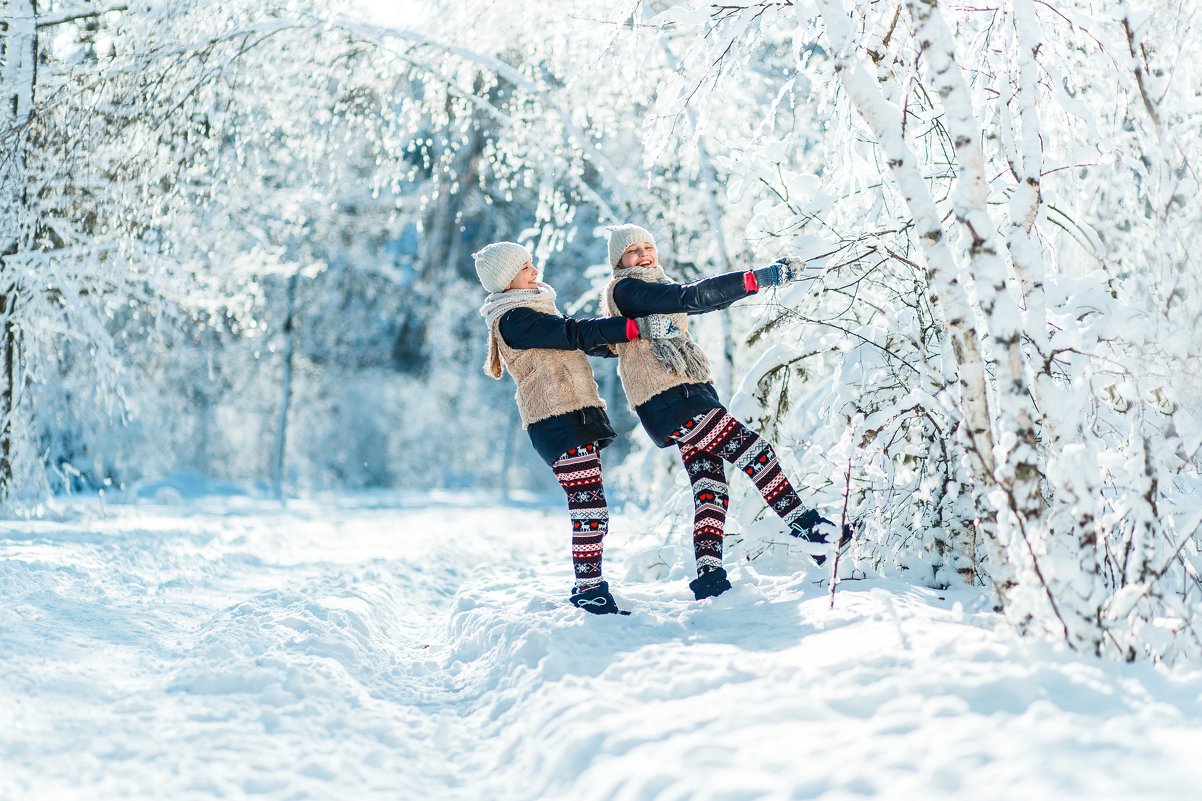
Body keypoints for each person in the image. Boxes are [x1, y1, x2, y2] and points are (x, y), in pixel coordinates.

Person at [599, 224, 850, 601]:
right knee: (756, 452)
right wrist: (759, 278)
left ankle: (710, 578)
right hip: (673, 398)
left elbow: (686, 303)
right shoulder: (629, 288)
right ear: (619, 261)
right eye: (633, 250)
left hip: (684, 396)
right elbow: (694, 296)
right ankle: (811, 531)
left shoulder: (648, 291)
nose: (644, 254)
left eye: (648, 245)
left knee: (710, 489)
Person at [475, 240, 659, 616]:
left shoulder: (532, 313)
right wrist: (632, 328)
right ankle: (589, 589)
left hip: (570, 417)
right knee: (589, 507)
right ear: (508, 280)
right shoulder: (516, 319)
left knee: (593, 507)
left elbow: (575, 338)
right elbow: (573, 332)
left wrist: (619, 343)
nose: (535, 272)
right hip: (555, 421)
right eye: (526, 268)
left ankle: (588, 587)